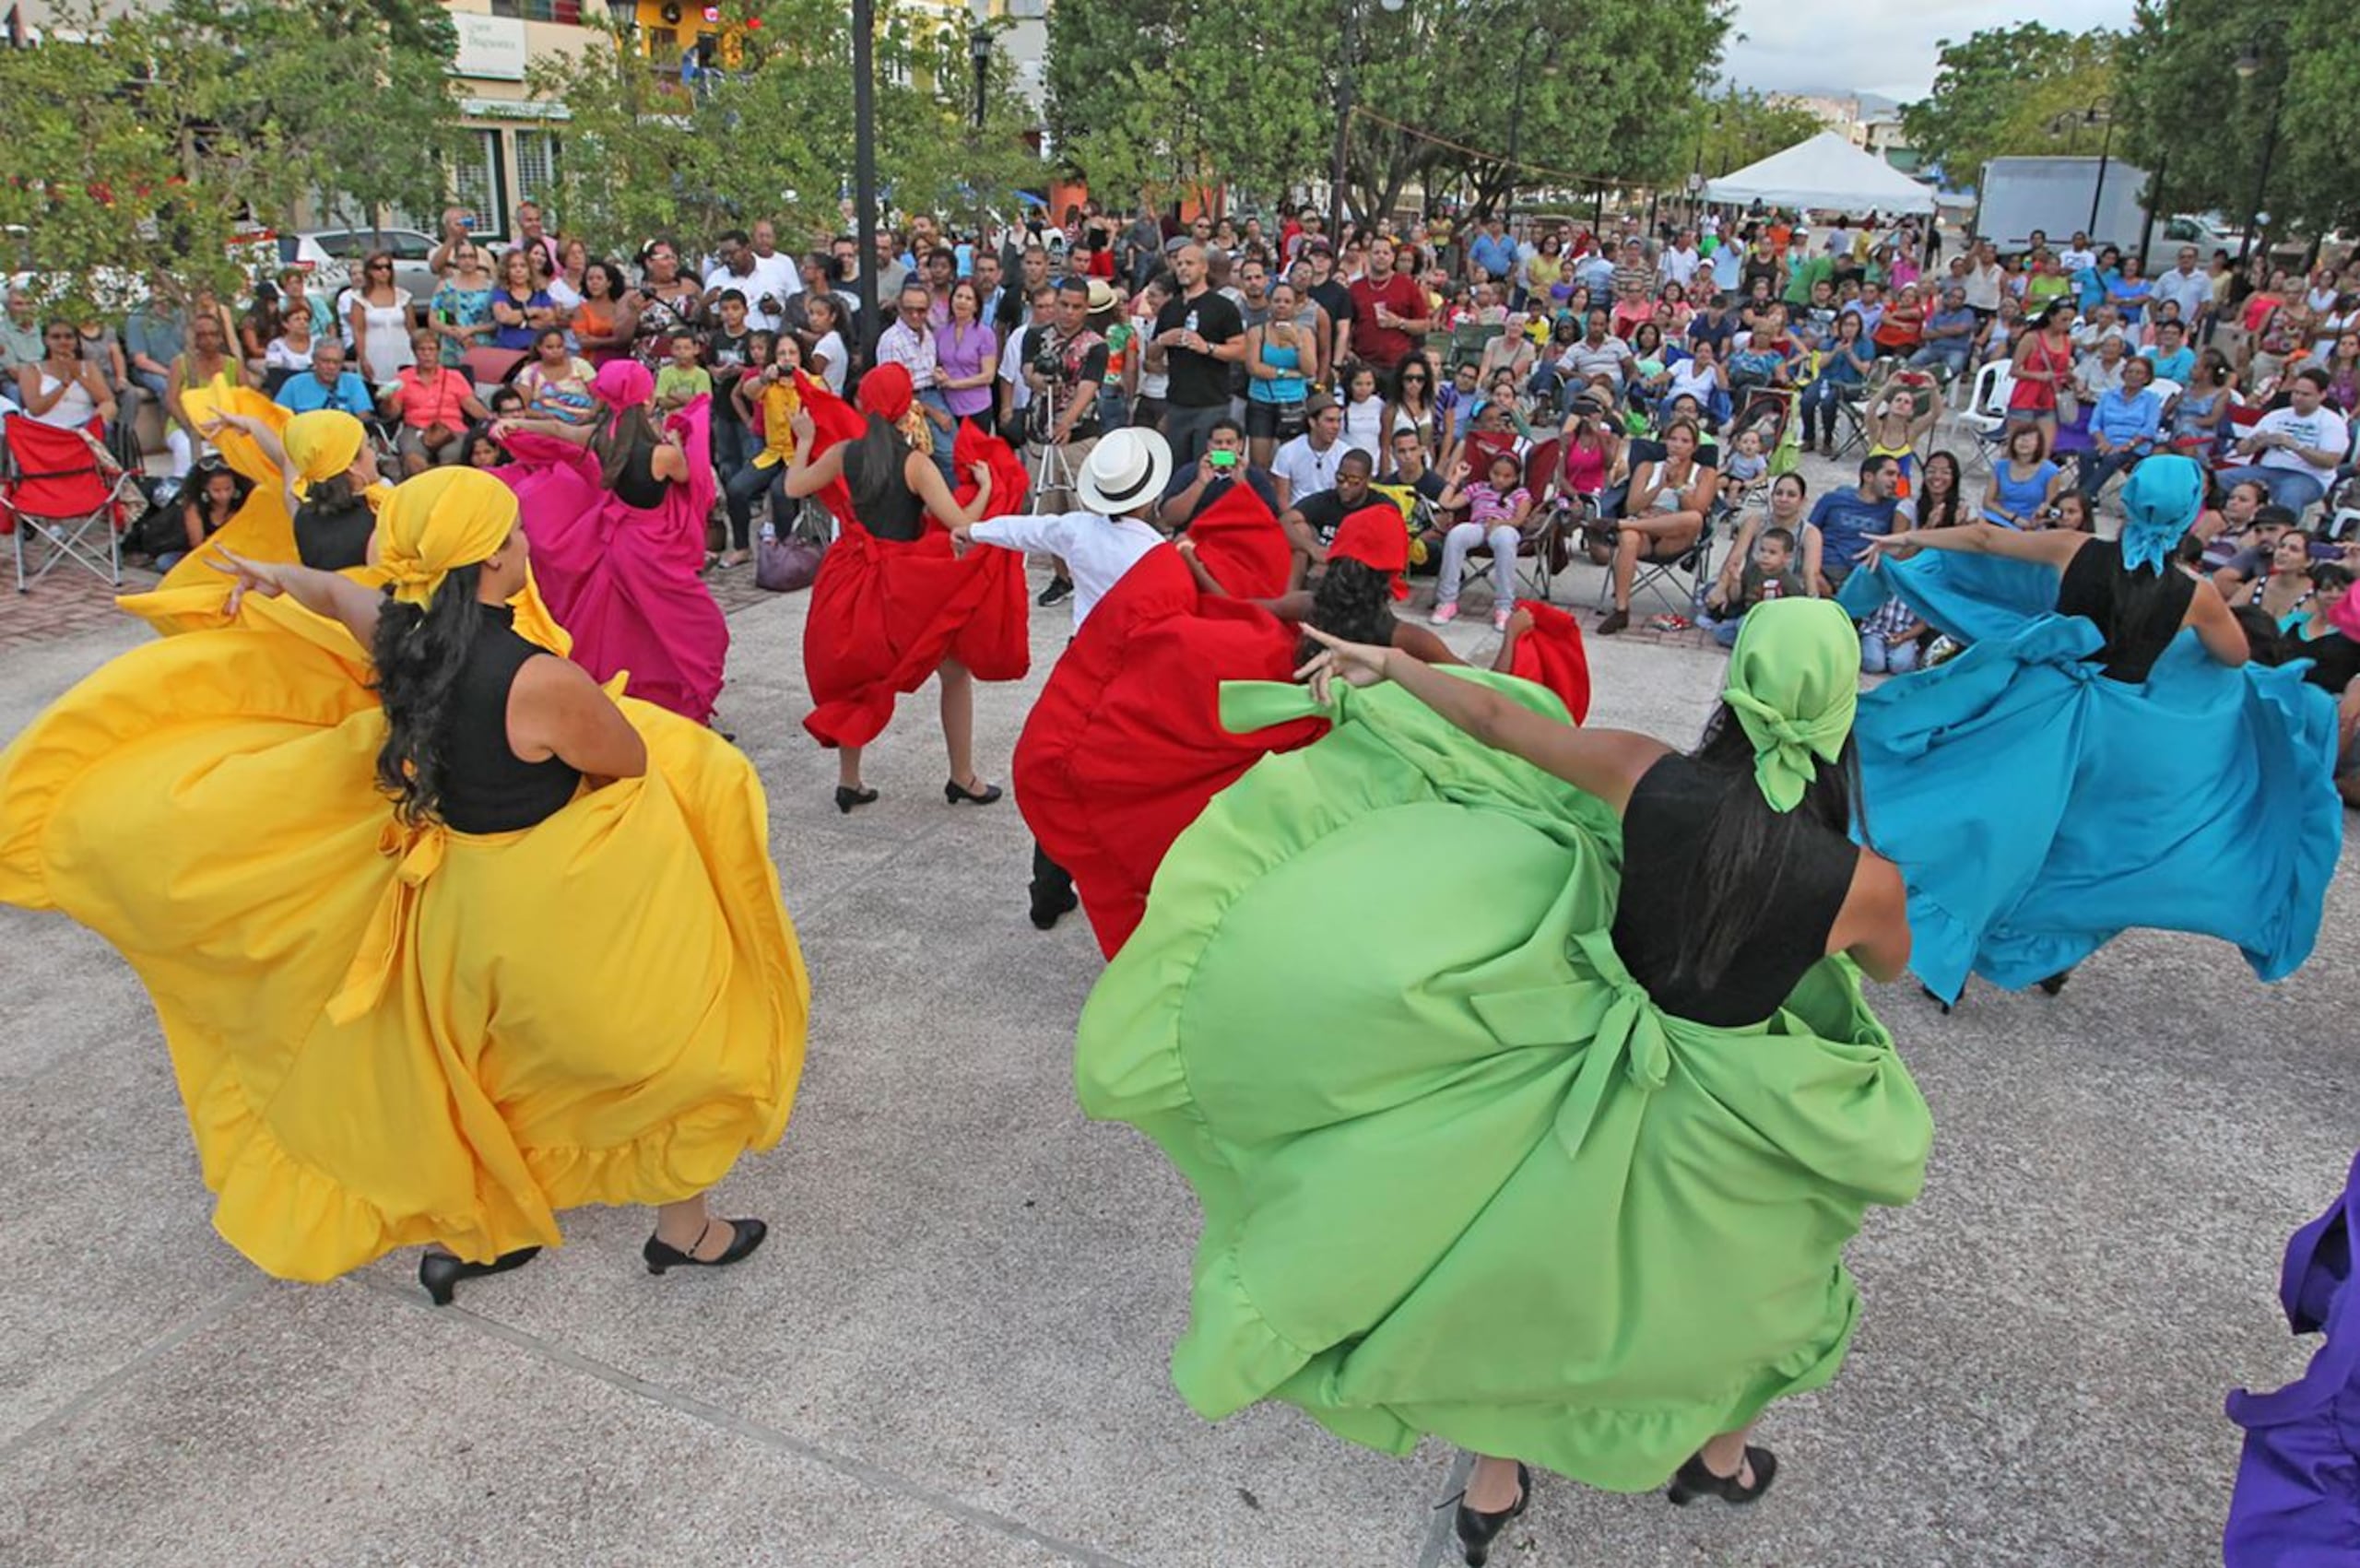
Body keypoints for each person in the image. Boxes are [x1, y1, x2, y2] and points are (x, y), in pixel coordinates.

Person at [1079, 596, 1928, 1564]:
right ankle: (1719, 1460)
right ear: (1838, 713)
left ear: (1736, 692)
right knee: (1776, 1293)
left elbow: (1495, 724)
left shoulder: (1646, 777)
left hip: (1566, 1063)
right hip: (1731, 1113)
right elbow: (1886, 967)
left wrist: (1391, 666)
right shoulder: (1866, 882)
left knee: (1504, 1286)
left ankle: (1491, 1486)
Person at [0, 467, 809, 1303]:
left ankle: (480, 1234)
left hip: (452, 908)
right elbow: (629, 760)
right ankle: (687, 1232)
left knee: (483, 1072)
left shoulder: (406, 640)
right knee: (670, 1057)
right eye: (515, 535)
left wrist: (279, 578)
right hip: (543, 911)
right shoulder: (537, 679)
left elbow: (336, 599)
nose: (528, 544)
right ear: (492, 562)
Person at [1847, 455, 2338, 1006]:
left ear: (2126, 505)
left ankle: (1959, 950)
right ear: (2190, 516)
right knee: (2079, 849)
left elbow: (1986, 538)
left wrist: (1911, 535)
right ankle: (2046, 950)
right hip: (2118, 732)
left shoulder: (2074, 548)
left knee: (1998, 825)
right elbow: (2234, 656)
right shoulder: (2194, 594)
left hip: (2041, 707)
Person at [782, 361, 1026, 809]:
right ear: (906, 407)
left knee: (853, 677)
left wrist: (807, 441)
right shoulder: (916, 463)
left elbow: (795, 485)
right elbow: (963, 526)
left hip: (850, 575)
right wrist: (989, 486)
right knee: (953, 673)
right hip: (903, 583)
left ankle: (849, 782)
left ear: (861, 403)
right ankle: (962, 777)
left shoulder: (844, 454)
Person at [490, 359, 728, 724]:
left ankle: (648, 705)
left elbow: (556, 428)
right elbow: (694, 483)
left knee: (634, 630)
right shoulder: (662, 455)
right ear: (647, 401)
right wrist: (683, 437)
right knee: (696, 630)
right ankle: (690, 706)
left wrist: (515, 423)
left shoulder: (601, 439)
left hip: (618, 545)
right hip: (654, 550)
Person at [1597, 418, 1717, 635]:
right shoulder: (1648, 467)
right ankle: (1621, 610)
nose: (1677, 445)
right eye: (1672, 439)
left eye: (1685, 441)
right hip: (1642, 531)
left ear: (1694, 446)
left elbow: (1698, 509)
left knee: (1694, 519)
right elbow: (1633, 505)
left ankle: (1619, 525)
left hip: (1675, 537)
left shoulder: (1704, 473)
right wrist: (1661, 484)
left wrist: (1678, 485)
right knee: (1629, 538)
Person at [1150, 243, 1247, 467]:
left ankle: (1215, 502)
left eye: (1189, 263)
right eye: (1179, 263)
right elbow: (1152, 355)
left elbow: (1241, 351)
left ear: (1204, 268)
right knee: (1176, 469)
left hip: (1212, 404)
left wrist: (1208, 348)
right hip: (1177, 404)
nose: (1183, 268)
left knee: (1215, 465)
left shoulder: (1223, 307)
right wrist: (1162, 340)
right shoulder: (1169, 308)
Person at [2218, 367, 2351, 516]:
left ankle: (2282, 533)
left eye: (2305, 394)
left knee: (2290, 492)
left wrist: (2295, 446)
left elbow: (2330, 461)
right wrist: (2256, 441)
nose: (2298, 398)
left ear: (2322, 395)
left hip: (2308, 476)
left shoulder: (2331, 421)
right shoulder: (2277, 416)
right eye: (2295, 392)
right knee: (2221, 479)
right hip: (2268, 469)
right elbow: (2241, 450)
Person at [1430, 451, 1533, 631]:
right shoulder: (1478, 488)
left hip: (1506, 528)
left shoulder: (1520, 494)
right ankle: (1447, 602)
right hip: (1479, 526)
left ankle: (1504, 606)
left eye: (1507, 476)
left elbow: (1520, 519)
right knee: (1456, 534)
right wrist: (1457, 477)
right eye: (1496, 474)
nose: (1500, 479)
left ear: (1516, 477)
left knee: (1504, 539)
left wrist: (1501, 523)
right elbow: (1446, 503)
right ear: (1489, 472)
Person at [381, 329, 491, 477]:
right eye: (422, 349)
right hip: (416, 428)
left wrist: (493, 419)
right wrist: (387, 400)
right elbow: (393, 413)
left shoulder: (454, 377)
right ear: (414, 352)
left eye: (431, 349)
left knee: (453, 455)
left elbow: (472, 406)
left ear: (438, 351)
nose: (427, 354)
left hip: (452, 428)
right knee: (413, 459)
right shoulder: (403, 378)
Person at [1156, 418, 1279, 529]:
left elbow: (1269, 520)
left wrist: (1242, 485)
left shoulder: (1255, 476)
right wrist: (1200, 483)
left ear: (1240, 446)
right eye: (1218, 443)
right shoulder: (1189, 472)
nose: (1224, 447)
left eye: (1230, 442)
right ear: (1209, 446)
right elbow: (1169, 518)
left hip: (1238, 538)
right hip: (1195, 537)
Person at [1698, 523, 1806, 647]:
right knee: (1721, 632)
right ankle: (1757, 644)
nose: (1765, 556)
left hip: (1772, 622)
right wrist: (1736, 580)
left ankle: (1758, 643)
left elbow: (1797, 607)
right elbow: (1736, 597)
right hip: (1749, 616)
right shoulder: (1752, 570)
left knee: (1741, 624)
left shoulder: (1788, 580)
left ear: (1787, 557)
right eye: (1762, 550)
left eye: (1772, 553)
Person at [1809, 454, 1903, 593]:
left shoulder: (1896, 508)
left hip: (1865, 577)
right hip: (1827, 570)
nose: (1895, 480)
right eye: (1889, 474)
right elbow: (1808, 533)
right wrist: (1813, 574)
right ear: (1868, 476)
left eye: (1897, 476)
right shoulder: (1833, 500)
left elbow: (1902, 545)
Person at [2078, 355, 2164, 503]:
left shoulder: (2151, 399)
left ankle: (2083, 497)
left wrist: (2127, 445)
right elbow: (2094, 424)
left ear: (2146, 378)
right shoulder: (2108, 396)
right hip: (2107, 443)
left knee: (2112, 459)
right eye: (2130, 372)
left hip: (2134, 446)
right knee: (2086, 455)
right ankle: (2090, 496)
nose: (2133, 376)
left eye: (2139, 373)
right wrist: (2103, 441)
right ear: (2123, 374)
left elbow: (2150, 429)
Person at [15, 320, 116, 431]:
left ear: (76, 341)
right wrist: (64, 384)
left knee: (110, 407)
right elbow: (35, 409)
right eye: (56, 337)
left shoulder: (88, 366)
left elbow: (106, 399)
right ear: (45, 341)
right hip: (44, 427)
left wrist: (78, 375)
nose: (63, 341)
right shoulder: (31, 369)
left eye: (68, 337)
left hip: (84, 426)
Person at [346, 252, 417, 388]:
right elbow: (358, 331)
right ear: (369, 271)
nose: (384, 271)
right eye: (378, 267)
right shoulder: (359, 298)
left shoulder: (403, 296)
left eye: (387, 267)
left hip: (402, 352)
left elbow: (411, 328)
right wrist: (363, 359)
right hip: (374, 355)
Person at [1978, 427, 2063, 529]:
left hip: (2031, 522)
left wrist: (2040, 517)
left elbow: (2052, 505)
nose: (2024, 442)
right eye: (2020, 438)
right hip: (2002, 516)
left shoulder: (2050, 471)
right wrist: (2013, 518)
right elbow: (1987, 502)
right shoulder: (2001, 466)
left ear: (2039, 444)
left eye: (2030, 439)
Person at [273, 340, 375, 419]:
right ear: (314, 360)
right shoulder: (294, 384)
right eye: (326, 361)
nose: (331, 367)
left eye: (337, 362)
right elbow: (277, 418)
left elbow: (364, 419)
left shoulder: (353, 382)